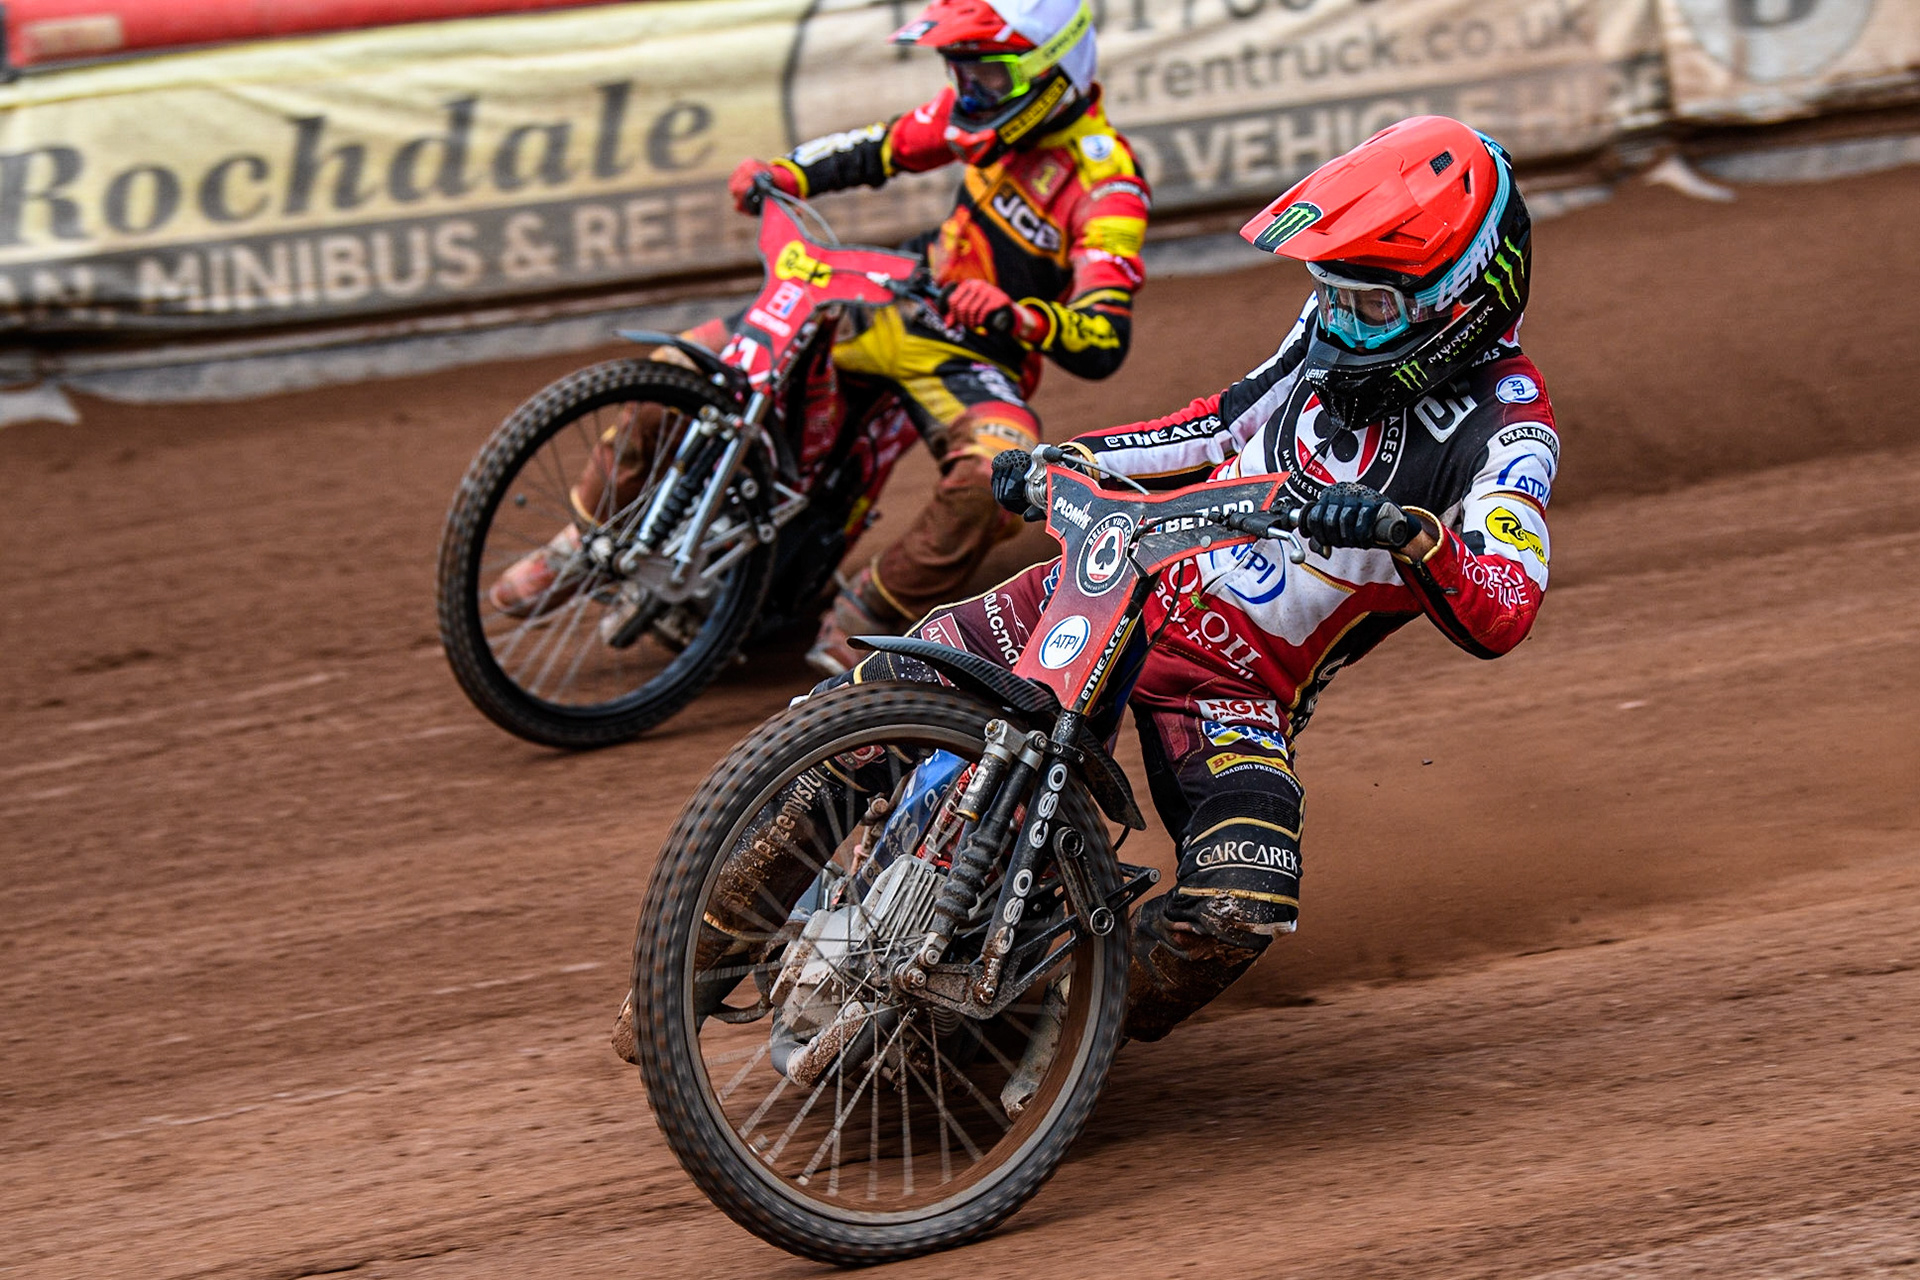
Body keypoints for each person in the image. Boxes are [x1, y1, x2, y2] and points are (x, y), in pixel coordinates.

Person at [826, 115, 1559, 1041]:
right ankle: (712, 936)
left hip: (1232, 688)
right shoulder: (1334, 326)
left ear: (1463, 300)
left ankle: (1051, 1039)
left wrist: (1411, 535)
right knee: (877, 695)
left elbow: (1505, 606)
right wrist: (1068, 458)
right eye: (1328, 293)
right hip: (1119, 583)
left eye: (1366, 306)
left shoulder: (1511, 430)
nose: (1337, 321)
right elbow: (1218, 422)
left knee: (1238, 904)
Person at [492, 0, 1150, 679]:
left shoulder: (1107, 184)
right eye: (961, 73)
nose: (970, 93)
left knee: (995, 478)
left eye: (989, 77)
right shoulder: (972, 117)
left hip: (973, 353)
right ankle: (583, 539)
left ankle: (867, 614)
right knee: (678, 367)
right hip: (887, 302)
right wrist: (787, 173)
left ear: (1055, 71)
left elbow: (1103, 336)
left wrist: (1020, 315)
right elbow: (880, 146)